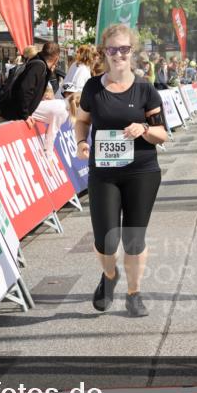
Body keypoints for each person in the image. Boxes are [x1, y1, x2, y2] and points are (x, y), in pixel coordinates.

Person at [74, 24, 167, 317]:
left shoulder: (145, 88)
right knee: (105, 239)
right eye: (112, 50)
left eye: (124, 49)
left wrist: (144, 129)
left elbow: (162, 133)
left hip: (141, 171)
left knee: (133, 238)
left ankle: (134, 293)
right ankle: (110, 275)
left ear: (132, 52)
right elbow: (82, 121)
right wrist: (80, 142)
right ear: (104, 52)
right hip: (104, 172)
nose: (118, 55)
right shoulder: (92, 87)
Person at [0, 42, 69, 154]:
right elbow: (25, 90)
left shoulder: (37, 63)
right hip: (13, 117)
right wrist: (25, 115)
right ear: (56, 58)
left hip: (12, 114)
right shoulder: (39, 66)